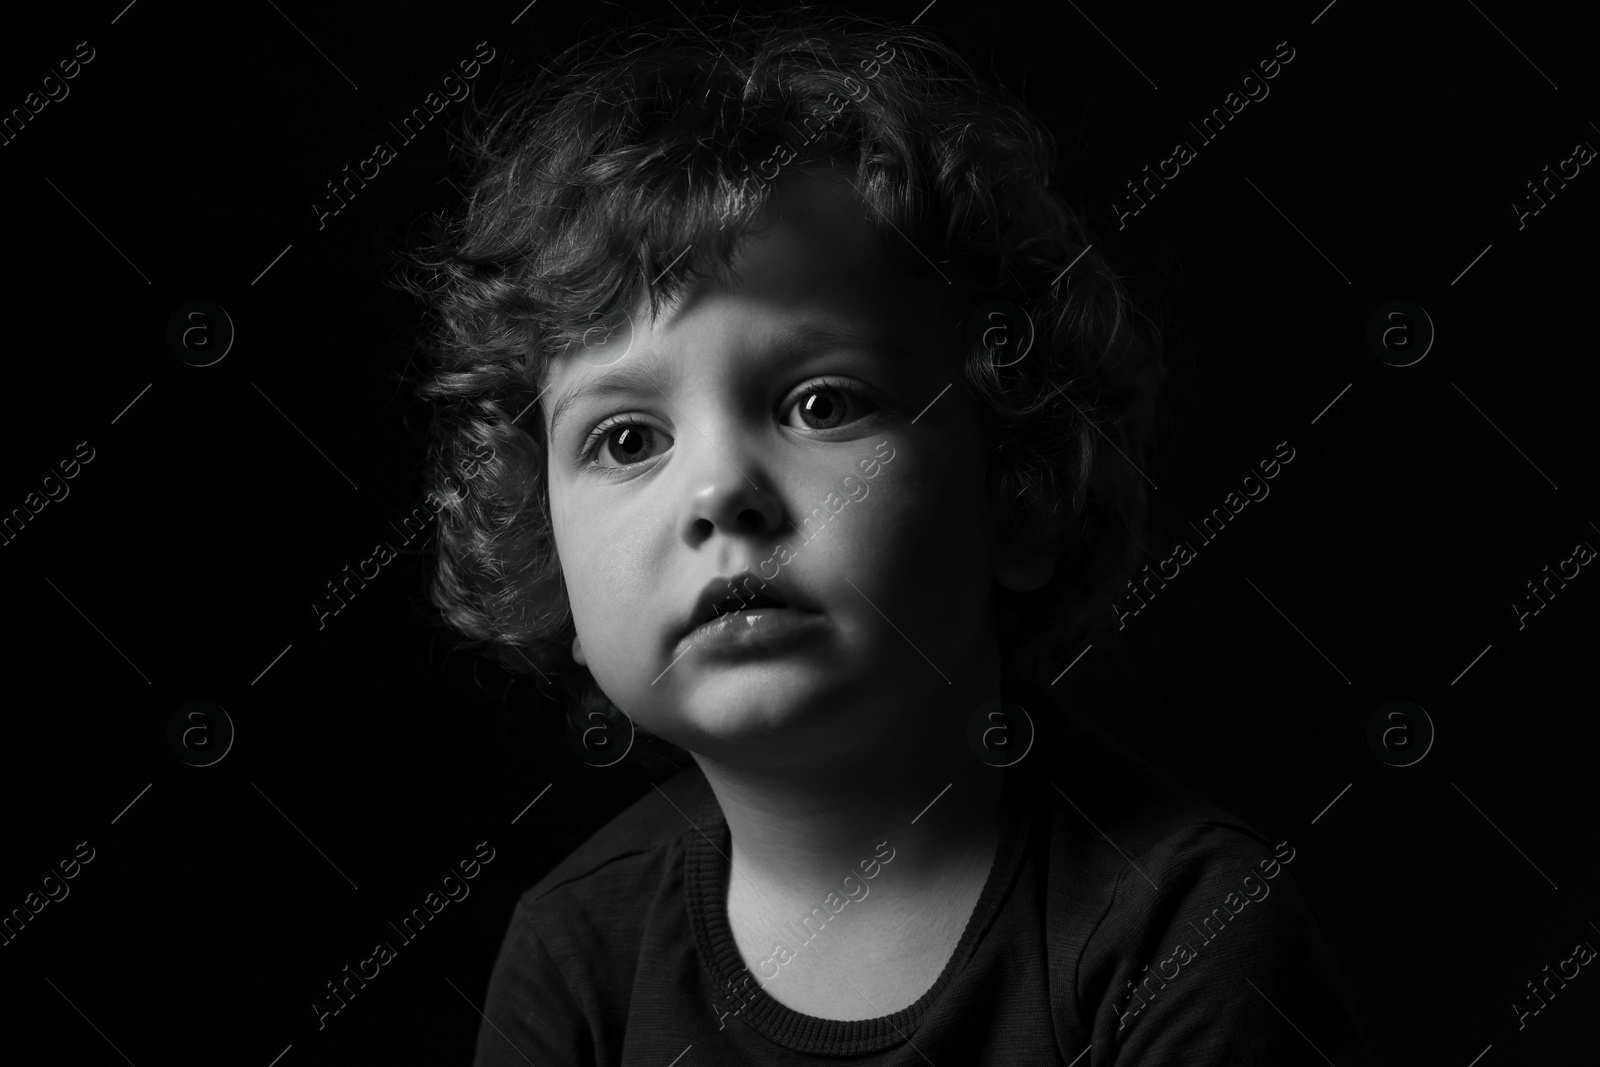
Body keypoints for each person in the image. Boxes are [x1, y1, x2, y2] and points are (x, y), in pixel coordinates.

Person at [399, 6, 1376, 1063]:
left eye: (821, 404)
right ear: (550, 570)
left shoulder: (1181, 935)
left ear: (1020, 492)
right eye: (627, 437)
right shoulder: (575, 954)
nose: (721, 492)